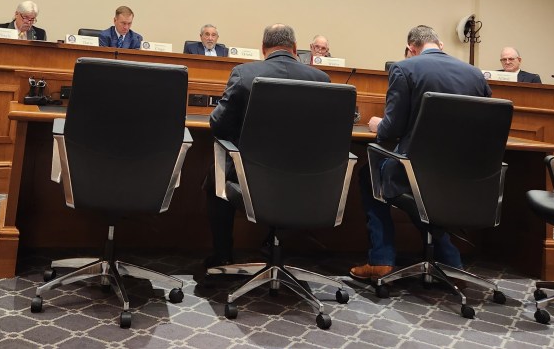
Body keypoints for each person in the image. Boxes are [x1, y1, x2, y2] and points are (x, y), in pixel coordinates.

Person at [350, 25, 491, 282]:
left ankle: (381, 260)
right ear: (441, 45)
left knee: (371, 174)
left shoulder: (405, 68)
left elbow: (390, 132)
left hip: (416, 171)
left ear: (411, 49)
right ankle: (450, 260)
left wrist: (377, 124)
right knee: (422, 189)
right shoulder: (475, 75)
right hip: (466, 175)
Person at [206, 24, 329, 267]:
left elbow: (218, 125)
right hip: (306, 178)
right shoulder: (321, 79)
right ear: (295, 49)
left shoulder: (244, 74)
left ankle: (223, 255)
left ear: (263, 49)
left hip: (253, 178)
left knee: (215, 175)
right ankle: (272, 244)